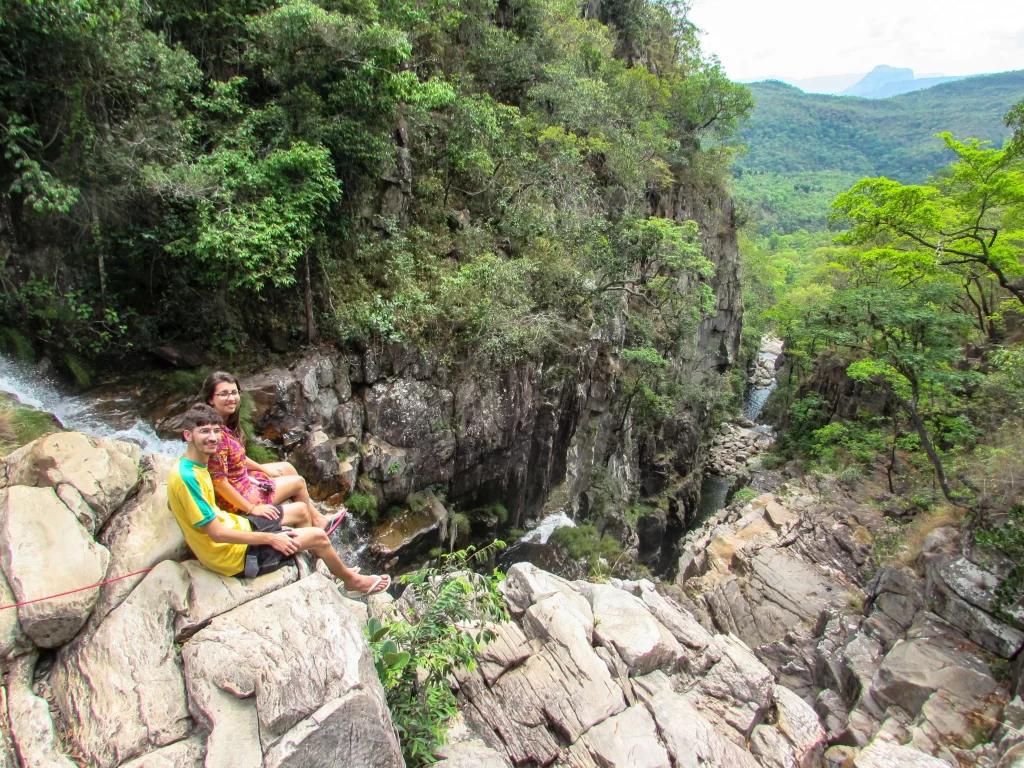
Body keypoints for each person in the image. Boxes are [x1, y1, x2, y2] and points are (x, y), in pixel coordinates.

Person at [167, 404, 389, 593]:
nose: (213, 438)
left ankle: (316, 561)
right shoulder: (187, 478)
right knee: (318, 536)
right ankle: (351, 581)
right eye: (204, 431)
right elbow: (216, 533)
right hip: (232, 556)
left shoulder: (192, 464)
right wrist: (272, 538)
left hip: (239, 526)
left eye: (216, 431)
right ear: (187, 435)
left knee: (301, 510)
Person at [200, 371, 345, 535]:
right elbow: (219, 482)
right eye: (224, 394)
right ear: (211, 399)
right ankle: (311, 533)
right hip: (236, 498)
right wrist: (252, 509)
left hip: (240, 480)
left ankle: (318, 519)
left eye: (234, 392)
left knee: (287, 468)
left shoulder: (223, 425)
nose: (231, 398)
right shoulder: (214, 435)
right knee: (298, 483)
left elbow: (238, 457)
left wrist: (263, 469)